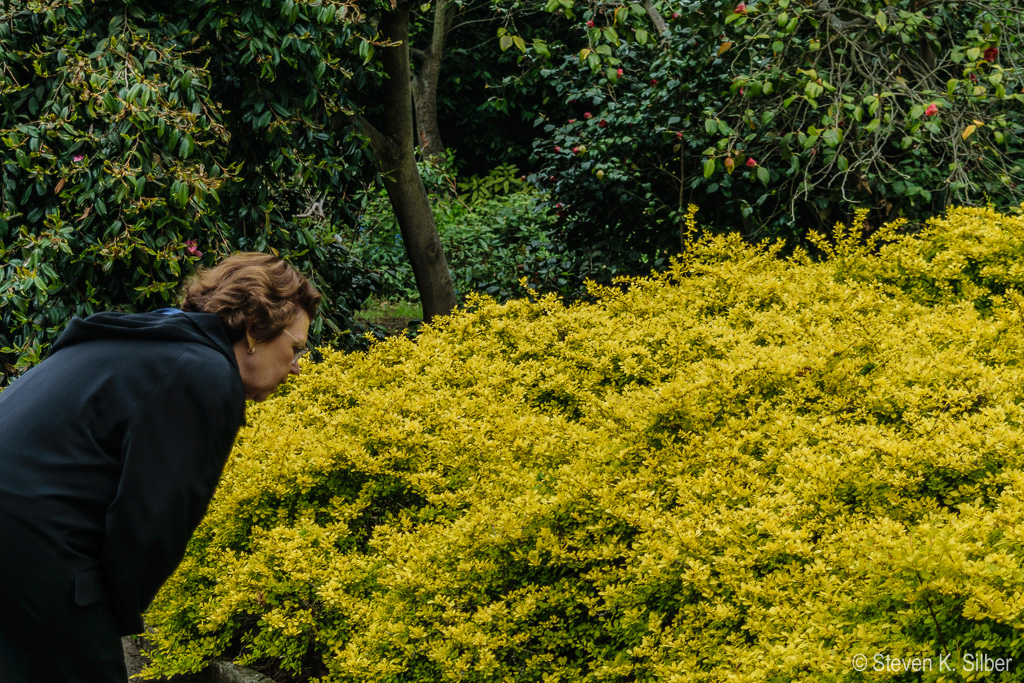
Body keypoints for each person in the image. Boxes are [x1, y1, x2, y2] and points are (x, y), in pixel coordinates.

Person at [0, 252, 320, 683]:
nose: (297, 366)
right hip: (33, 556)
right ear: (252, 331)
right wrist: (109, 609)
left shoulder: (144, 343)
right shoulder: (203, 373)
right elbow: (152, 521)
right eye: (295, 347)